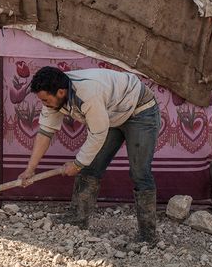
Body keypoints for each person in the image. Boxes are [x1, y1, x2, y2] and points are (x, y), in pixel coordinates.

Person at [17, 66, 160, 243]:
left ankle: (148, 236)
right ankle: (78, 218)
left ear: (61, 92)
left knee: (140, 172)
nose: (44, 104)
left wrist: (77, 164)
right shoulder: (54, 98)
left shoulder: (88, 93)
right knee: (90, 166)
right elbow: (46, 132)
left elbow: (98, 134)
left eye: (46, 100)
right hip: (111, 113)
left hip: (140, 111)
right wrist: (30, 169)